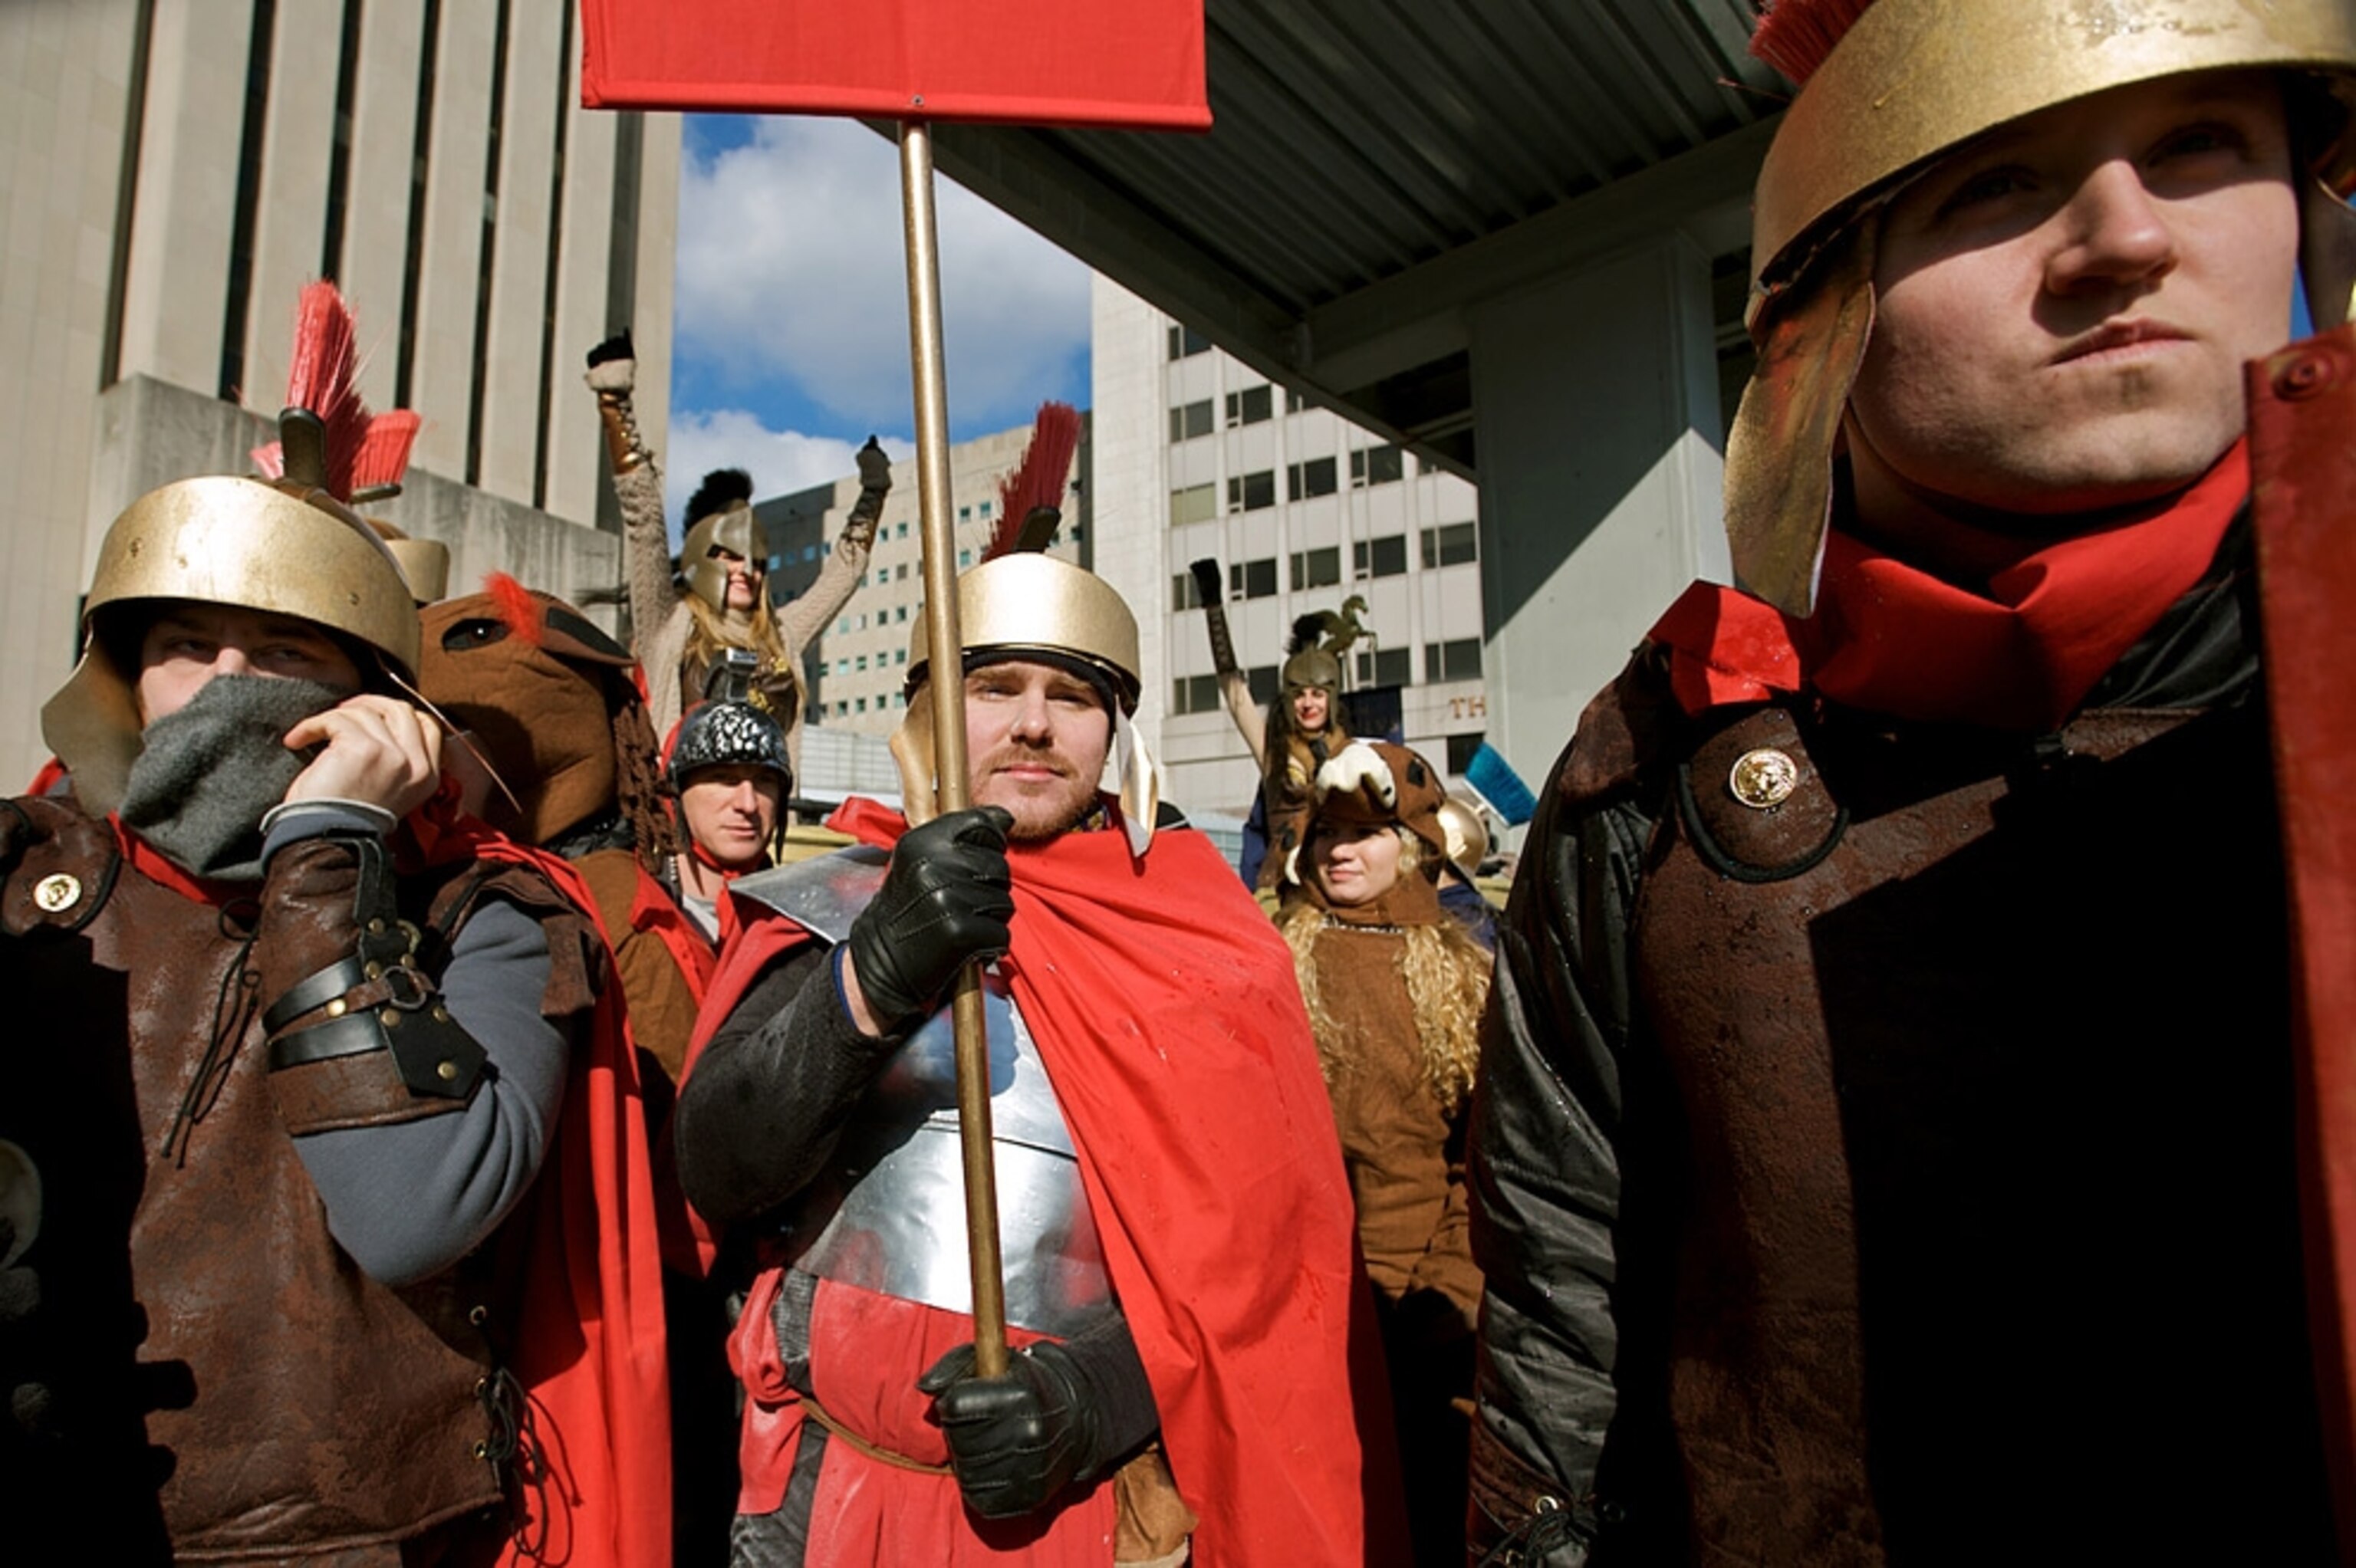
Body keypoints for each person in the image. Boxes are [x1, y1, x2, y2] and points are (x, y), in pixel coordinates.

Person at [1466, 2, 2356, 1563]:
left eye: (2201, 142)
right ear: (1819, 314)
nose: (2122, 237)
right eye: (1992, 182)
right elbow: (1559, 1327)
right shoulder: (1653, 776)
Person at [0, 297, 668, 1564]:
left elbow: (411, 1211)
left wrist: (333, 852)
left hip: (328, 1540)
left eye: (281, 650)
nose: (230, 688)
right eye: (188, 647)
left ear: (371, 699)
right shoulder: (29, 869)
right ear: (125, 677)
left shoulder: (491, 919)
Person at [673, 551, 1397, 1566]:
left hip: (1069, 1517)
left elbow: (1270, 1278)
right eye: (995, 687)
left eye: (1073, 695)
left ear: (1116, 731)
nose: (1034, 724)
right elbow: (717, 1169)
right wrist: (872, 975)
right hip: (818, 1496)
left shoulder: (1205, 944)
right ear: (930, 709)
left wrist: (1098, 1395)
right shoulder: (832, 904)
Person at [1276, 739, 1488, 1568]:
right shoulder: (1267, 960)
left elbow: (1486, 1168)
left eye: (1365, 832)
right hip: (1301, 1323)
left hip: (1426, 1326)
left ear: (1414, 845)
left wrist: (1443, 1295)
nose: (1339, 849)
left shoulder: (1468, 979)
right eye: (1328, 830)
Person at [586, 333, 891, 758]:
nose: (746, 570)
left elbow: (844, 573)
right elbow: (646, 525)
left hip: (765, 813)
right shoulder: (669, 625)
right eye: (728, 557)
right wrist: (615, 404)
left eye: (757, 562)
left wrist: (874, 493)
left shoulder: (783, 633)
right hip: (683, 814)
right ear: (701, 559)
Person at [1186, 560, 1353, 889]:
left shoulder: (1352, 753)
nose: (1308, 703)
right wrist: (1213, 610)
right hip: (1282, 887)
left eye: (1318, 694)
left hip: (1337, 884)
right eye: (1299, 695)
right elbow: (1233, 691)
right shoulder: (1273, 751)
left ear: (1331, 699)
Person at [663, 699, 791, 949]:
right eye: (724, 779)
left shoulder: (802, 917)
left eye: (764, 781)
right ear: (678, 790)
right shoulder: (628, 905)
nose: (748, 804)